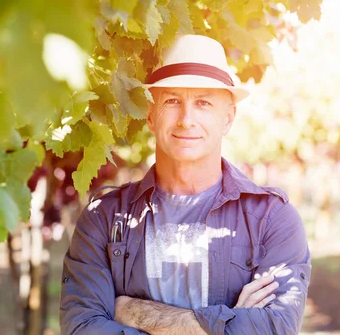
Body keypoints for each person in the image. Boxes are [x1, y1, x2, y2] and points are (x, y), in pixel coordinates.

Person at [60, 34, 311, 334]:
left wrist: (132, 312)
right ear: (151, 115)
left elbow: (275, 328)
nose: (186, 119)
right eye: (172, 101)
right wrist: (228, 323)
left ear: (228, 118)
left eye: (203, 102)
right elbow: (83, 328)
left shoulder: (272, 220)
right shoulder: (104, 217)